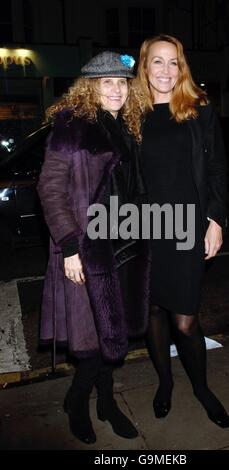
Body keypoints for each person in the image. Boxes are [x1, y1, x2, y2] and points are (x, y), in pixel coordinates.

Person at [37, 51, 150, 444]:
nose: (117, 89)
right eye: (108, 83)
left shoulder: (130, 128)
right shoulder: (73, 127)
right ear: (91, 87)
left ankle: (106, 401)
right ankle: (80, 401)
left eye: (122, 82)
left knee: (112, 333)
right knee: (91, 341)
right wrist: (69, 247)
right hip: (84, 249)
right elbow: (50, 190)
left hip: (125, 246)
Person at [136, 35, 229, 428]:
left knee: (185, 319)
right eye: (157, 62)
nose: (165, 70)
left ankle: (202, 388)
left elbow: (216, 170)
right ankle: (165, 383)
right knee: (153, 311)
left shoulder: (199, 110)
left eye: (173, 62)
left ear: (182, 68)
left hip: (187, 226)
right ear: (145, 67)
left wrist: (216, 219)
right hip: (141, 225)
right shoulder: (129, 113)